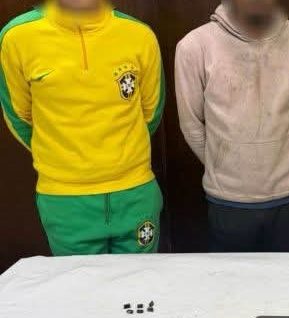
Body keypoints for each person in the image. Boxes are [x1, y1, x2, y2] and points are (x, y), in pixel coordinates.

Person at [0, 0, 165, 255]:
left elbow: (151, 113)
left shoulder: (140, 35)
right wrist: (63, 156)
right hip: (64, 201)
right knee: (79, 282)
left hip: (136, 193)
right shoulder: (16, 37)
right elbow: (18, 116)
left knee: (142, 279)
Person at [175, 0, 289, 253]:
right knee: (232, 278)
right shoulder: (194, 45)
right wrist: (221, 164)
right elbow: (191, 125)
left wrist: (288, 156)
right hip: (227, 199)